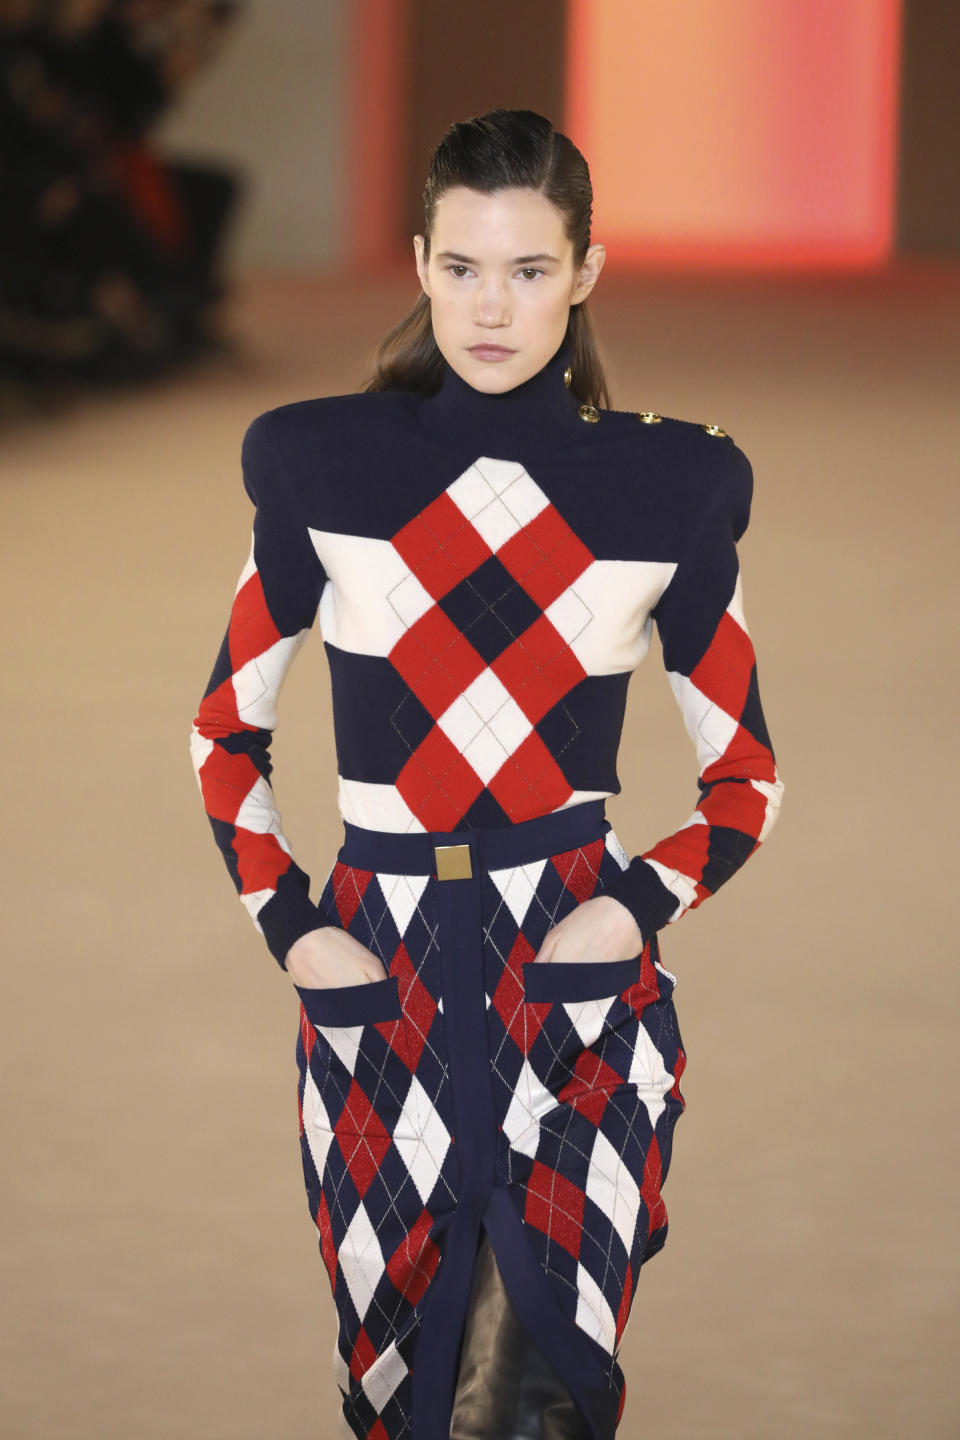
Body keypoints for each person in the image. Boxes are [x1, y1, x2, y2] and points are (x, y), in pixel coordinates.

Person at [189, 107, 784, 1440]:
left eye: (528, 270)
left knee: (527, 1397)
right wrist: (294, 929)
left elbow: (743, 776)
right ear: (419, 264)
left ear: (586, 271)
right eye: (462, 268)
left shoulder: (670, 486)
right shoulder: (320, 464)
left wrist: (629, 909)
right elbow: (225, 732)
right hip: (376, 988)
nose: (493, 307)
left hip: (575, 993)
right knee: (404, 1394)